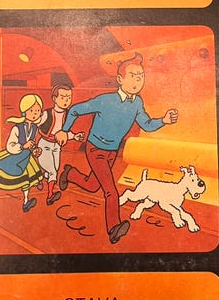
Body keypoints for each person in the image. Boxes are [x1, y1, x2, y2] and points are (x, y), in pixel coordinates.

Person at [57, 53, 178, 244]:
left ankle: (69, 174)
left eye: (141, 76)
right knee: (111, 191)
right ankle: (114, 227)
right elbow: (74, 110)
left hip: (111, 152)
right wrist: (64, 131)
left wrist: (163, 120)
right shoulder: (105, 100)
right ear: (120, 79)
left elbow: (146, 125)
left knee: (92, 185)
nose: (138, 80)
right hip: (95, 149)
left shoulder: (137, 103)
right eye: (133, 76)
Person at [0, 94, 44, 212]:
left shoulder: (35, 128)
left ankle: (26, 202)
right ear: (24, 111)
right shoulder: (17, 128)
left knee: (27, 179)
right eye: (31, 110)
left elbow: (31, 144)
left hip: (26, 157)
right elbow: (10, 146)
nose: (35, 113)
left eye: (38, 110)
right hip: (14, 155)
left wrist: (34, 150)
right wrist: (23, 146)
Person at [36, 84, 84, 206]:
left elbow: (66, 132)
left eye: (69, 97)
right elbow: (35, 125)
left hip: (57, 146)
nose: (66, 101)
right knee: (53, 172)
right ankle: (50, 195)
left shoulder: (68, 115)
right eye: (63, 97)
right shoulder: (46, 114)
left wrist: (75, 136)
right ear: (54, 98)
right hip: (44, 145)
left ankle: (39, 177)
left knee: (54, 170)